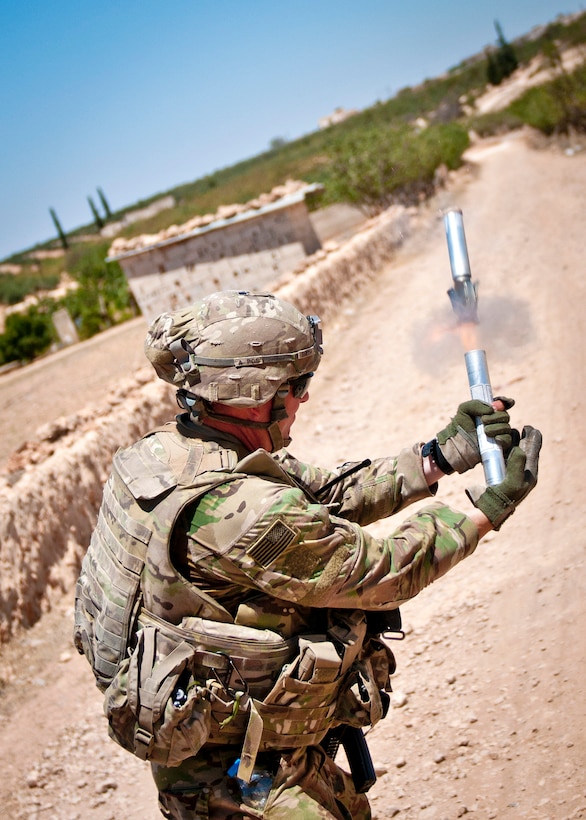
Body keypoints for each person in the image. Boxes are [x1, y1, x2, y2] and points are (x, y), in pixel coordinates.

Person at [74, 290, 541, 820]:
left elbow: (325, 492)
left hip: (229, 751)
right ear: (255, 393)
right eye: (297, 385)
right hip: (242, 782)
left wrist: (439, 456)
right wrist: (484, 512)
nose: (305, 399)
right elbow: (379, 569)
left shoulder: (168, 453)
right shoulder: (238, 508)